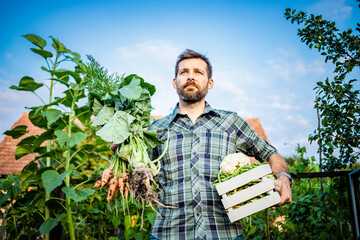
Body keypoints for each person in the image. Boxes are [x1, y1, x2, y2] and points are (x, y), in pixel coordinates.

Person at [114, 49, 292, 240]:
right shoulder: (155, 129)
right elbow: (134, 170)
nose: (191, 77)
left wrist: (283, 176)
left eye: (198, 72)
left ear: (210, 82)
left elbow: (270, 153)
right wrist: (120, 148)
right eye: (184, 72)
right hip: (169, 233)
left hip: (224, 233)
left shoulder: (230, 122)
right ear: (175, 82)